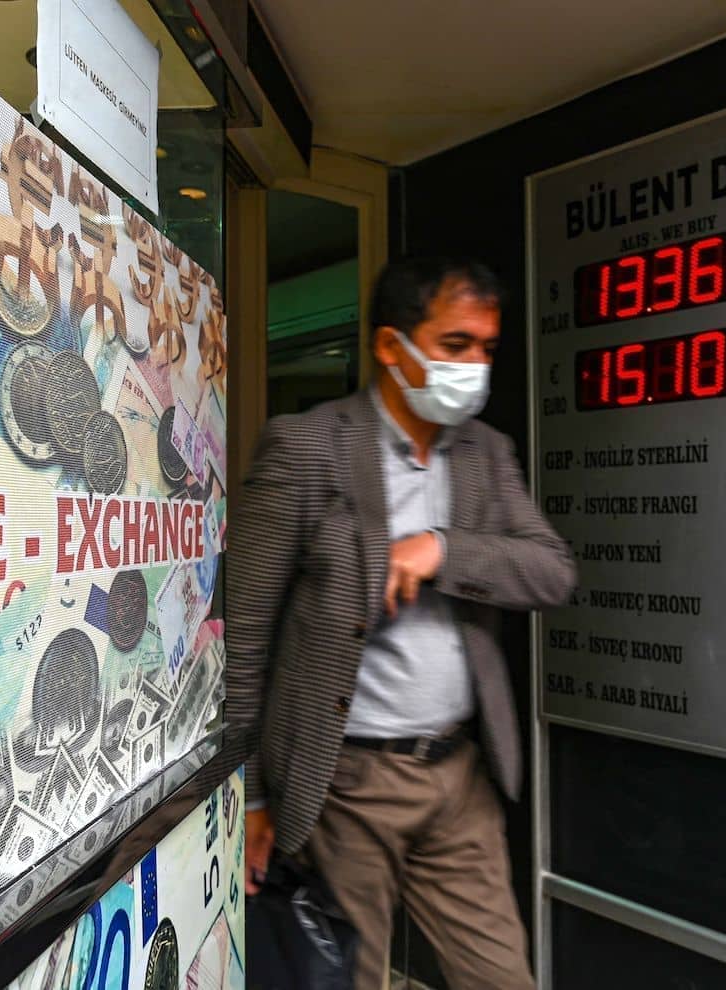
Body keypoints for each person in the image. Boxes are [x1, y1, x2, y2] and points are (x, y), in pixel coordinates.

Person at [227, 257, 575, 988]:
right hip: (346, 781)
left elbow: (552, 571)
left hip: (457, 774)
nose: (475, 366)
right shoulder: (307, 447)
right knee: (351, 977)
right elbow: (245, 635)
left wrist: (441, 549)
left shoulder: (486, 453)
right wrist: (250, 797)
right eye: (455, 345)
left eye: (486, 348)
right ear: (392, 345)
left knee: (502, 977)